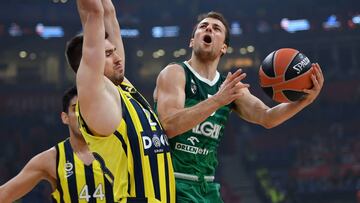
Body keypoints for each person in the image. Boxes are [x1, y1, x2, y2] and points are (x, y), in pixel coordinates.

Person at [154, 11, 324, 202]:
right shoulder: (175, 73)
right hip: (171, 182)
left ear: (224, 48)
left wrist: (304, 101)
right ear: (192, 41)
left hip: (207, 187)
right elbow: (168, 125)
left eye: (216, 28)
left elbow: (267, 117)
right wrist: (217, 100)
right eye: (203, 26)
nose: (208, 28)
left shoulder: (229, 87)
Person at [66, 0, 175, 202]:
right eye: (108, 54)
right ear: (89, 63)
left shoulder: (123, 87)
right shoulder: (97, 98)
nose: (118, 58)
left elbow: (108, 12)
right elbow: (94, 12)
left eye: (115, 50)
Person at [0, 86, 115, 202]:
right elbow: (4, 194)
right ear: (65, 118)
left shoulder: (118, 152)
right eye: (76, 109)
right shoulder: (51, 159)